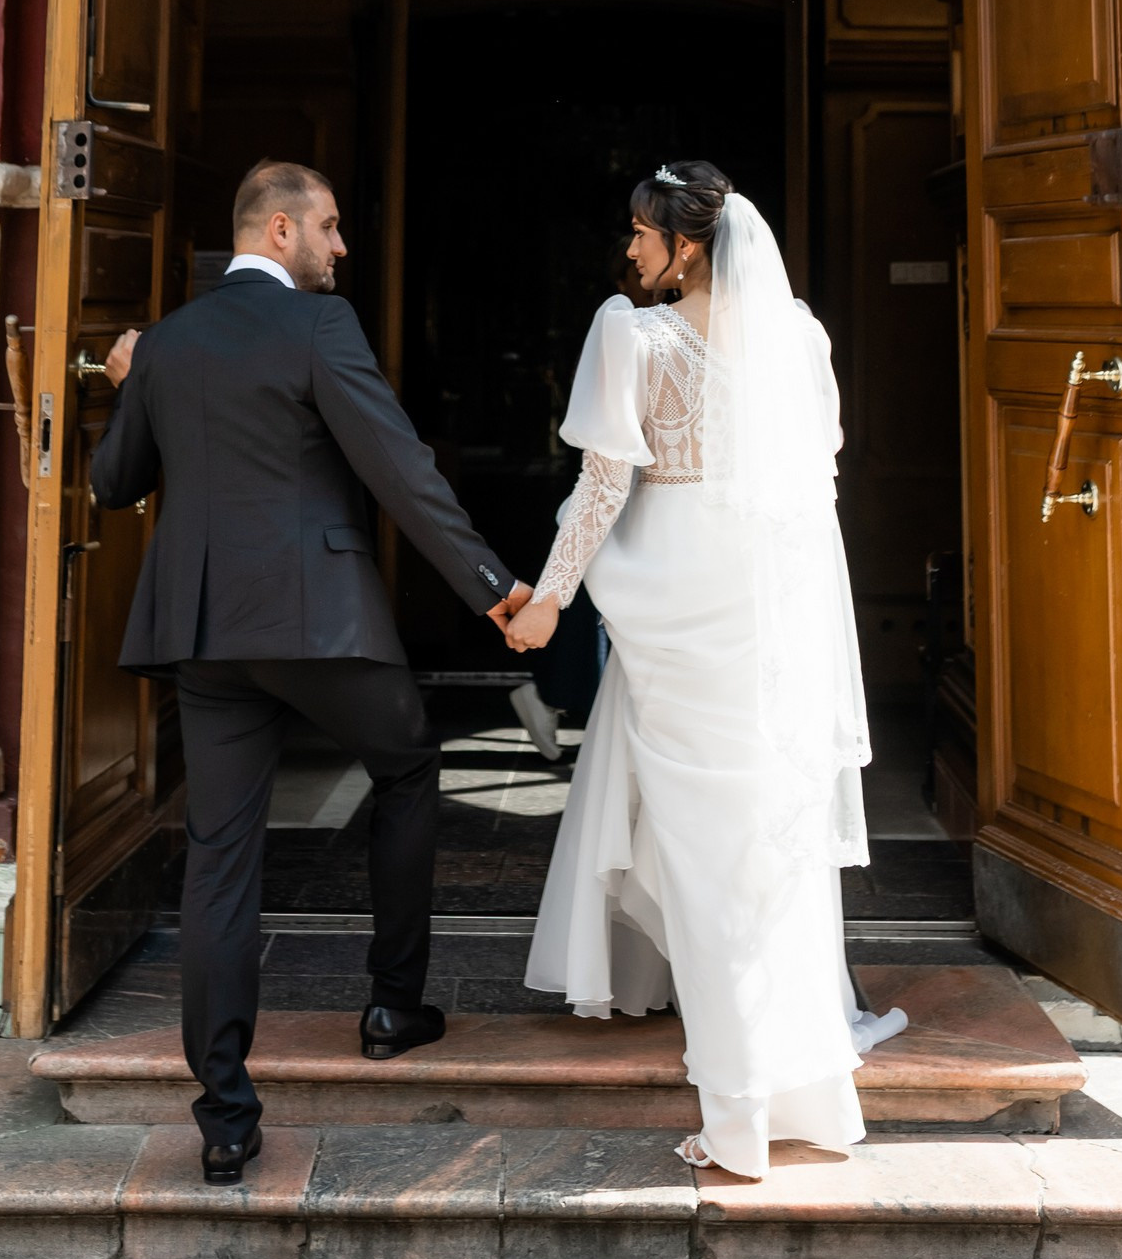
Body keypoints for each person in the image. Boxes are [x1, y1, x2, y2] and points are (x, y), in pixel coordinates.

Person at [90, 159, 531, 1184]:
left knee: (220, 859)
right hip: (320, 624)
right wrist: (492, 589)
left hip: (205, 634)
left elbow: (114, 484)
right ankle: (391, 1001)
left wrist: (130, 380)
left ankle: (225, 1119)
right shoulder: (319, 329)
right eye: (329, 228)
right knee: (410, 764)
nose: (341, 247)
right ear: (279, 229)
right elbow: (396, 468)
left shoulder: (167, 341)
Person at [506, 159, 905, 1179]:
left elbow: (601, 487)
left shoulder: (630, 335)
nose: (628, 250)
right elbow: (820, 476)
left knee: (706, 859)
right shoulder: (799, 334)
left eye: (640, 233)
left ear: (683, 244)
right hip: (769, 603)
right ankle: (810, 1100)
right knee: (764, 848)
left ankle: (735, 1120)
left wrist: (548, 597)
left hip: (678, 598)